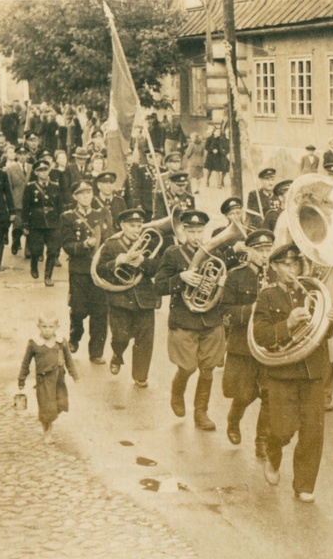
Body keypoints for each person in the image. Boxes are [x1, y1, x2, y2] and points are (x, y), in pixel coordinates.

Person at [251, 243, 333, 503]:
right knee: (281, 430)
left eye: (295, 264)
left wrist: (328, 321)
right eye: (286, 265)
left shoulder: (313, 291)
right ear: (275, 267)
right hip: (282, 372)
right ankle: (273, 454)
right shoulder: (267, 296)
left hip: (312, 371)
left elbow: (326, 334)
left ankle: (304, 485)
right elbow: (260, 335)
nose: (292, 270)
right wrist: (287, 324)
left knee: (313, 432)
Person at [155, 209, 226, 431]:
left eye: (200, 231)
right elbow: (158, 285)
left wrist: (223, 282)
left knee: (208, 369)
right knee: (187, 367)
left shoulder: (215, 255)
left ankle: (201, 412)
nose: (196, 236)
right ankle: (177, 391)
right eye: (192, 231)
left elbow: (224, 285)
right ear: (183, 231)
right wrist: (180, 278)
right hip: (184, 320)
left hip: (211, 320)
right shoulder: (173, 254)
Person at [222, 229, 276, 458]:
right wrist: (251, 309)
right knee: (244, 394)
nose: (265, 255)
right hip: (243, 344)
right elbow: (225, 311)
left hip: (270, 344)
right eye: (260, 250)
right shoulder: (236, 276)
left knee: (269, 393)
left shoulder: (276, 276)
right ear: (250, 251)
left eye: (268, 250)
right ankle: (234, 418)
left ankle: (261, 441)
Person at [94, 208, 161, 388]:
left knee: (145, 340)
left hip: (145, 298)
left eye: (139, 225)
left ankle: (140, 376)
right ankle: (117, 353)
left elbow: (158, 267)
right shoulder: (111, 245)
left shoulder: (150, 244)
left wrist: (144, 263)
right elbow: (99, 270)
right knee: (121, 337)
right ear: (122, 225)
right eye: (132, 226)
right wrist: (118, 261)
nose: (137, 230)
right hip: (120, 299)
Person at [59, 181, 113, 361]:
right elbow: (66, 244)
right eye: (81, 193)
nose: (86, 196)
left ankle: (96, 353)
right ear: (75, 196)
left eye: (89, 192)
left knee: (100, 312)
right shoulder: (67, 217)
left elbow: (109, 239)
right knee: (78, 309)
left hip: (99, 271)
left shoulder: (101, 214)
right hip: (79, 270)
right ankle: (75, 336)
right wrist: (83, 245)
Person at [18, 311, 79, 445]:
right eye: (44, 326)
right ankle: (47, 432)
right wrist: (21, 379)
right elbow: (26, 362)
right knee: (46, 408)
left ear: (57, 327)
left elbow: (69, 359)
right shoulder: (34, 343)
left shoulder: (60, 341)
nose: (47, 330)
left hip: (58, 379)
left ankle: (50, 422)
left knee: (59, 404)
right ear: (38, 326)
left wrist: (74, 375)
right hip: (43, 381)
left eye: (50, 327)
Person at [23, 159, 64, 284]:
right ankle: (34, 265)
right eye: (40, 171)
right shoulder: (30, 187)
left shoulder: (55, 187)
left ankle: (48, 276)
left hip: (53, 222)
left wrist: (61, 222)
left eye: (45, 170)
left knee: (52, 250)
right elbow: (25, 206)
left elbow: (60, 205)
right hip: (36, 222)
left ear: (49, 171)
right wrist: (25, 224)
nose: (43, 173)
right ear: (36, 172)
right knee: (36, 249)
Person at [5, 144, 33, 256]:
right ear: (16, 155)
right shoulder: (10, 169)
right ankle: (16, 241)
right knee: (18, 224)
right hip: (17, 201)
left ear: (28, 155)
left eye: (25, 154)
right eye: (20, 154)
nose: (22, 156)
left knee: (30, 225)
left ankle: (28, 249)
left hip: (31, 201)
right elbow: (9, 187)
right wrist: (10, 204)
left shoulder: (32, 167)